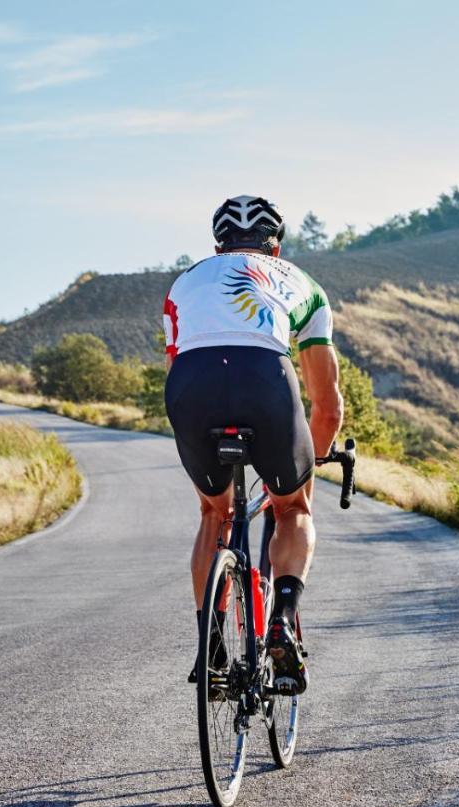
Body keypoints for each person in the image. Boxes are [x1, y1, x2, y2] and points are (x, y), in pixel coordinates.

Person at [163, 195, 343, 694]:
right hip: (266, 381)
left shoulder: (184, 284)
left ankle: (213, 647)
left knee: (213, 515)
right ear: (276, 249)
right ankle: (283, 617)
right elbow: (327, 408)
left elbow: (174, 371)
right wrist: (308, 467)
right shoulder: (304, 286)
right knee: (292, 510)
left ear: (217, 247)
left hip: (192, 389)